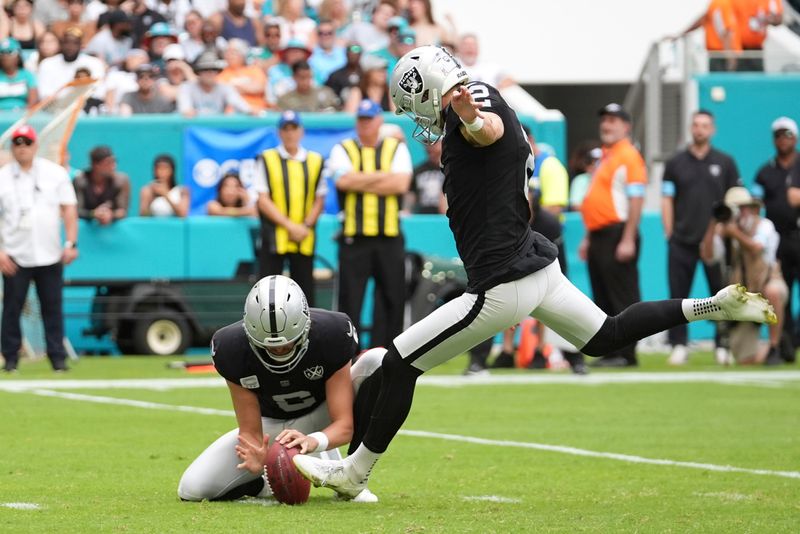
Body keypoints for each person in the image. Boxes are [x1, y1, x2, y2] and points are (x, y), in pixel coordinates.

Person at [291, 45, 777, 499]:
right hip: (536, 266)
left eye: (413, 102)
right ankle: (715, 304)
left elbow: (487, 131)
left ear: (432, 90)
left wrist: (468, 117)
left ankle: (355, 472)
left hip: (502, 283)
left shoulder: (471, 115)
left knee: (399, 364)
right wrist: (469, 114)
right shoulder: (485, 94)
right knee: (605, 335)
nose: (415, 116)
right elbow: (494, 130)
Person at [177, 275, 379, 503]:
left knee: (377, 361)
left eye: (287, 343)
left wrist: (312, 440)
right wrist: (260, 463)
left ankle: (353, 479)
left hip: (324, 414)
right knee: (192, 489)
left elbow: (344, 425)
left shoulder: (331, 333)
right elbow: (251, 432)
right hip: (270, 427)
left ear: (305, 326)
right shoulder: (231, 348)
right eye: (269, 347)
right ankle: (261, 486)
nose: (280, 351)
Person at [325, 99, 412, 348]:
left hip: (389, 236)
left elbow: (400, 185)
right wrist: (384, 178)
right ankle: (348, 354)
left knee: (391, 298)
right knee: (350, 300)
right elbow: (343, 182)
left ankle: (387, 353)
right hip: (355, 237)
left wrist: (359, 179)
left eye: (369, 120)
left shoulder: (395, 148)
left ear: (379, 121)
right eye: (361, 120)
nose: (365, 125)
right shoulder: (343, 148)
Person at [661, 110, 741, 366]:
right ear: (690, 128)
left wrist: (723, 230)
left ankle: (723, 345)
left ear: (712, 129)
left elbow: (734, 201)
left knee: (721, 295)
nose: (700, 129)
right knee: (678, 297)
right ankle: (679, 345)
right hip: (682, 240)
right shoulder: (675, 163)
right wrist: (670, 232)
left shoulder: (725, 162)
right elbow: (666, 199)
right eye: (696, 125)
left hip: (715, 244)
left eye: (705, 125)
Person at [0, 125, 78, 373]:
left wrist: (71, 243)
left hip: (49, 252)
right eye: (18, 143)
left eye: (27, 142)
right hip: (15, 253)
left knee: (52, 308)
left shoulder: (54, 174)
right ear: (13, 147)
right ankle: (10, 359)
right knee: (12, 309)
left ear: (35, 146)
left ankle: (57, 358)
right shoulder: (2, 177)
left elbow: (69, 209)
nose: (22, 147)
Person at [579, 103, 647, 368]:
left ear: (626, 126)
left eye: (613, 121)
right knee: (604, 297)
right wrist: (588, 237)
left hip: (618, 233)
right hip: (599, 235)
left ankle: (626, 353)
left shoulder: (629, 156)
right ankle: (612, 350)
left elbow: (636, 199)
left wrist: (628, 238)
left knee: (623, 297)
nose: (606, 125)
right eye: (604, 120)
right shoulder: (607, 156)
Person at [701, 187, 787, 364]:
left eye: (742, 207)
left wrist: (734, 233)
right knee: (745, 360)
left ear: (750, 208)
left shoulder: (764, 225)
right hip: (744, 295)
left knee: (773, 291)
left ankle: (774, 347)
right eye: (734, 208)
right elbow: (708, 256)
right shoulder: (724, 230)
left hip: (767, 283)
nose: (739, 212)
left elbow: (757, 247)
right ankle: (783, 344)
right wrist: (712, 224)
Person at [254, 110, 326, 304]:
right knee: (268, 293)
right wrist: (289, 226)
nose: (290, 133)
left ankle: (308, 333)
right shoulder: (267, 158)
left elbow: (319, 198)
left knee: (305, 294)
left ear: (301, 131)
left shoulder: (315, 160)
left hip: (304, 237)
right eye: (285, 129)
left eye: (293, 128)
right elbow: (263, 199)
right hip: (274, 237)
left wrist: (305, 226)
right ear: (279, 132)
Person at [761, 116, 800, 363]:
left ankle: (795, 337)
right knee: (781, 293)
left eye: (786, 135)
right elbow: (756, 204)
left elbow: (794, 198)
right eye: (777, 135)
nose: (781, 140)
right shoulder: (765, 172)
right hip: (778, 241)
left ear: (794, 138)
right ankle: (784, 342)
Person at [177, 50, 253, 116]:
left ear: (217, 72)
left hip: (217, 130)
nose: (210, 73)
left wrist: (250, 111)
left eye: (213, 70)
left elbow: (239, 103)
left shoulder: (225, 87)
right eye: (205, 70)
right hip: (194, 128)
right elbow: (185, 109)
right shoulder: (187, 87)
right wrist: (188, 112)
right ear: (198, 73)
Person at [37, 27, 106, 99]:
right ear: (61, 44)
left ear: (81, 45)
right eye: (66, 42)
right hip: (54, 106)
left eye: (75, 43)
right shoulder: (47, 64)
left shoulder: (94, 63)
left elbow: (99, 92)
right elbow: (43, 93)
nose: (70, 47)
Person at [73, 145, 131, 225]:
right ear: (96, 165)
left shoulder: (121, 181)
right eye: (108, 163)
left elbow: (122, 211)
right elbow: (75, 211)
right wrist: (93, 214)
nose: (113, 166)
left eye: (114, 161)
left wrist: (111, 215)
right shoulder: (80, 181)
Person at [677, 0, 741, 72]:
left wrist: (681, 34)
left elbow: (704, 19)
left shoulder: (721, 3)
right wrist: (730, 59)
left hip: (723, 55)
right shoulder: (721, 3)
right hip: (723, 56)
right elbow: (725, 32)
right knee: (723, 81)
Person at [217, 38, 267, 112]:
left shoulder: (254, 70)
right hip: (233, 114)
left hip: (257, 111)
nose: (229, 55)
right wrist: (247, 86)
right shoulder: (222, 74)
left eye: (233, 52)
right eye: (227, 52)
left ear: (243, 54)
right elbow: (221, 92)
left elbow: (259, 87)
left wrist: (233, 87)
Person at [733, 0, 783, 72]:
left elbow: (778, 18)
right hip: (737, 49)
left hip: (756, 48)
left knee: (757, 78)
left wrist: (767, 19)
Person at [276, 60, 340, 112]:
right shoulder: (285, 99)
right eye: (302, 77)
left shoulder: (326, 93)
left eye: (309, 77)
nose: (306, 81)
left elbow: (338, 112)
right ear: (294, 77)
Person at [405, 140, 445, 214]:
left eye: (434, 143)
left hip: (446, 217)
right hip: (424, 215)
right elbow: (411, 193)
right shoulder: (418, 170)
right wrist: (407, 210)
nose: (430, 147)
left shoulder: (451, 170)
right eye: (427, 144)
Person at [0, 37, 37, 111]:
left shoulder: (27, 75)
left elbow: (33, 101)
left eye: (10, 52)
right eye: (2, 52)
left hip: (23, 116)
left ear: (18, 56)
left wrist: (23, 115)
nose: (5, 56)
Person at [568, 143, 601, 211]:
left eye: (598, 162)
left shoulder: (610, 179)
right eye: (590, 162)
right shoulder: (580, 180)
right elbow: (575, 205)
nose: (594, 165)